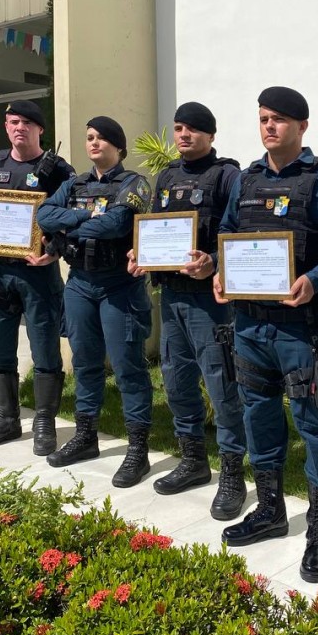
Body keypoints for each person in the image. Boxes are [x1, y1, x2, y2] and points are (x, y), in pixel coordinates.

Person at [212, 86, 318, 584]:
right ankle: (271, 510)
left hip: (304, 328)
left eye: (279, 119)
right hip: (250, 324)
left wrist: (314, 279)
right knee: (259, 417)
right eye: (262, 119)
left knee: (316, 425)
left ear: (302, 126)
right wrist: (219, 269)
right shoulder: (246, 180)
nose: (269, 126)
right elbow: (228, 232)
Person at [127, 101, 248, 520]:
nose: (183, 135)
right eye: (178, 128)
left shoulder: (228, 176)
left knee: (221, 384)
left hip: (209, 301)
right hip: (172, 296)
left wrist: (213, 260)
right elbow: (157, 228)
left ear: (210, 135)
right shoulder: (166, 177)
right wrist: (140, 252)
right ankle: (193, 460)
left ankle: (233, 472)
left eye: (193, 129)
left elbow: (242, 232)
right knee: (176, 380)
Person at [36, 115, 155, 486]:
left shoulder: (134, 183)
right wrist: (85, 213)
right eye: (89, 138)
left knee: (127, 366)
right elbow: (43, 213)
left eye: (102, 138)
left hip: (119, 285)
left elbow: (117, 224)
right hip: (80, 284)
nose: (93, 143)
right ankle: (86, 436)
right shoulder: (74, 184)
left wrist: (67, 222)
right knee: (85, 363)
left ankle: (138, 450)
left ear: (117, 146)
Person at [0, 100, 75, 452]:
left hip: (37, 275)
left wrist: (54, 249)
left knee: (45, 351)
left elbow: (73, 218)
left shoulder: (58, 170)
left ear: (40, 129)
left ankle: (44, 423)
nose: (18, 127)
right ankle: (6, 420)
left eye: (25, 122)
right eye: (11, 122)